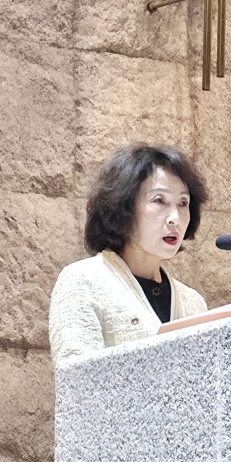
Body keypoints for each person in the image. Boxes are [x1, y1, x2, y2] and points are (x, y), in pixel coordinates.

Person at [49, 143, 209, 368]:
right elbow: (78, 380)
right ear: (123, 207)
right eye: (159, 200)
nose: (175, 218)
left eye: (183, 203)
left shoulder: (194, 303)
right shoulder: (83, 282)